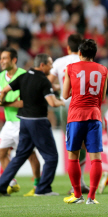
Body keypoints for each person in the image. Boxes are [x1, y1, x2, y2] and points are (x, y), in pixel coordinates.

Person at [0, 53, 65, 196]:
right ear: (42, 65)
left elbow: (5, 89)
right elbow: (52, 103)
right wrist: (63, 102)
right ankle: (43, 189)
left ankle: (1, 185)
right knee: (51, 157)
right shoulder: (43, 80)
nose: (52, 66)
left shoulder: (24, 76)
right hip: (38, 122)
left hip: (23, 121)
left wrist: (2, 99)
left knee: (20, 156)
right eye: (50, 63)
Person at [62, 39, 108, 204]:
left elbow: (65, 94)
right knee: (96, 158)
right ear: (94, 55)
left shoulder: (71, 68)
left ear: (79, 53)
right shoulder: (103, 69)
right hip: (94, 116)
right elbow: (102, 97)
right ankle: (92, 197)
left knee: (73, 156)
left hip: (76, 116)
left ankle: (77, 195)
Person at [47, 34, 90, 194]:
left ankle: (77, 185)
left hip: (66, 105)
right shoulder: (84, 61)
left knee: (74, 142)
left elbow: (48, 82)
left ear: (68, 47)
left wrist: (57, 90)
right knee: (84, 142)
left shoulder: (59, 62)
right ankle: (81, 183)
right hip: (83, 104)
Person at [0, 48, 41, 197]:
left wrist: (5, 103)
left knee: (30, 155)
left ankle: (38, 185)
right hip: (9, 123)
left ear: (14, 60)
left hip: (23, 121)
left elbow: (25, 102)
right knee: (1, 153)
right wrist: (8, 101)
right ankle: (11, 182)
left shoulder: (23, 76)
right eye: (1, 58)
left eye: (5, 58)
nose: (1, 61)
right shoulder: (0, 77)